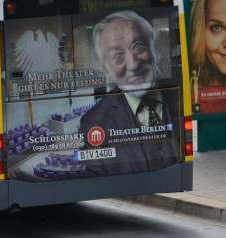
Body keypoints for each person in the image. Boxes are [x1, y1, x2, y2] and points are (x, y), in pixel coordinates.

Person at [77, 10, 181, 176]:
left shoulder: (181, 99)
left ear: (153, 46)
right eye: (118, 56)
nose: (133, 64)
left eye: (138, 46)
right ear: (106, 69)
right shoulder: (93, 123)